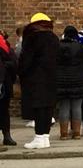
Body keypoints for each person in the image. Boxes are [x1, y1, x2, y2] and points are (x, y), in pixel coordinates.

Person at [18, 13, 59, 151]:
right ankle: (45, 137)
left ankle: (38, 137)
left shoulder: (32, 38)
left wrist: (21, 72)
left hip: (35, 78)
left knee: (38, 108)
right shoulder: (54, 38)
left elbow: (26, 60)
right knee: (48, 108)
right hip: (51, 78)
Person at [55, 25, 83, 140]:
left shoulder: (58, 47)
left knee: (64, 107)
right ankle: (76, 132)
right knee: (77, 107)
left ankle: (64, 133)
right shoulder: (80, 47)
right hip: (78, 80)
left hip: (61, 81)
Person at [0, 28, 16, 146]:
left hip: (5, 83)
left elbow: (14, 64)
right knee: (4, 111)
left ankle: (7, 136)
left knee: (4, 111)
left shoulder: (8, 49)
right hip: (5, 83)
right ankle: (7, 136)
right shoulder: (7, 49)